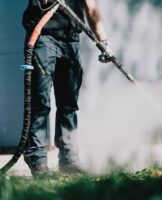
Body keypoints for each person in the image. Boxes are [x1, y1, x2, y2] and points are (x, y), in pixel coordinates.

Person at [22, 0, 112, 176]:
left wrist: (104, 41)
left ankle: (69, 160)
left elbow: (91, 9)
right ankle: (37, 160)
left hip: (71, 40)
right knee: (40, 102)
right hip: (42, 37)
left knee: (68, 104)